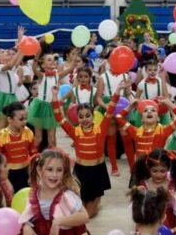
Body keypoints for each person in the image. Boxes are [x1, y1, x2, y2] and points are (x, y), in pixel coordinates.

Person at [52, 81, 124, 218]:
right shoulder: (75, 132)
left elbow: (110, 110)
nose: (84, 119)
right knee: (80, 205)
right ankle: (94, 202)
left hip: (97, 169)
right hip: (81, 170)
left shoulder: (101, 129)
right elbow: (59, 117)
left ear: (93, 116)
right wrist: (55, 96)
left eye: (87, 115)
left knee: (88, 214)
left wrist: (118, 91)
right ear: (77, 118)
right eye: (80, 116)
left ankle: (97, 201)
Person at [0, 102, 39, 192]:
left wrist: (32, 176)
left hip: (25, 172)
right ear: (9, 119)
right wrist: (5, 181)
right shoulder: (1, 136)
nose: (24, 121)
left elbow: (34, 156)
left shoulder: (28, 132)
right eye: (21, 119)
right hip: (8, 174)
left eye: (25, 118)